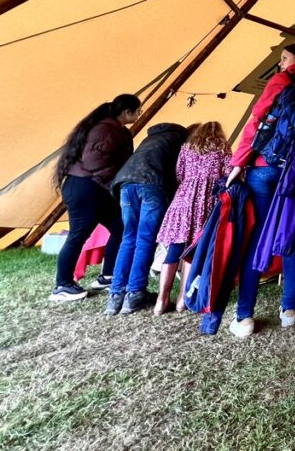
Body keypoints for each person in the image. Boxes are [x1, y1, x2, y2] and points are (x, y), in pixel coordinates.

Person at [214, 42, 295, 337]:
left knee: (257, 236)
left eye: (284, 57)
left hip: (266, 167)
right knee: (293, 236)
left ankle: (245, 316)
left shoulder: (281, 81)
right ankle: (288, 310)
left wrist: (238, 163)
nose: (280, 63)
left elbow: (257, 122)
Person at [50, 94, 141, 302]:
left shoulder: (115, 130)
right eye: (137, 111)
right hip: (85, 188)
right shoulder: (105, 130)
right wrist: (116, 185)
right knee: (78, 235)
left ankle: (108, 276)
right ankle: (62, 285)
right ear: (126, 112)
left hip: (95, 189)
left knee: (120, 227)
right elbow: (94, 163)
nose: (139, 114)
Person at [105, 121, 189, 315]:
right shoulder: (178, 140)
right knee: (145, 240)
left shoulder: (149, 139)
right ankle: (134, 294)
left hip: (125, 184)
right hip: (152, 185)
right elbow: (179, 173)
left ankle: (115, 295)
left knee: (128, 239)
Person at [155, 121, 232, 315]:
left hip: (182, 199)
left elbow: (179, 174)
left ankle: (161, 300)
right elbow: (229, 174)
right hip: (205, 201)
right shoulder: (222, 148)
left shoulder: (186, 148)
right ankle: (183, 299)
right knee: (193, 248)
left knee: (174, 248)